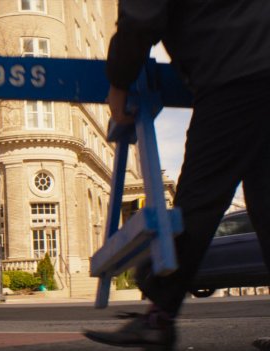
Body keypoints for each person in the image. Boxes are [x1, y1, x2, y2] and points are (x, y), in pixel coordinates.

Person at [84, 0, 270, 350]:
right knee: (264, 199)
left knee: (198, 201)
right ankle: (159, 315)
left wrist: (118, 82)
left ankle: (158, 317)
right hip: (250, 57)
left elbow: (142, 18)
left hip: (235, 72)